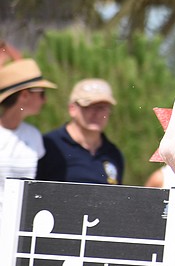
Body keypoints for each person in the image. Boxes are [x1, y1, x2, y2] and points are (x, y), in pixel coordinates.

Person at [36, 78, 124, 184]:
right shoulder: (48, 146)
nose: (97, 114)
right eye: (89, 106)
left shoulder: (113, 154)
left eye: (103, 108)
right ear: (72, 109)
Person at [0, 58, 56, 215]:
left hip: (19, 224)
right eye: (42, 93)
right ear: (24, 95)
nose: (45, 100)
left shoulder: (34, 135)